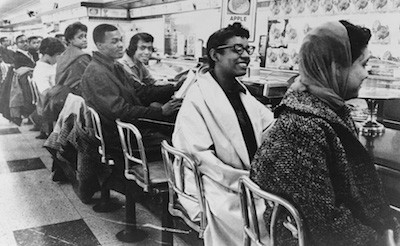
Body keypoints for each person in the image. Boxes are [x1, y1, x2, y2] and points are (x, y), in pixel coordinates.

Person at [250, 20, 400, 246]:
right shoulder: (301, 129)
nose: (366, 74)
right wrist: (382, 240)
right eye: (363, 64)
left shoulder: (329, 111)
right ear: (336, 67)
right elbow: (324, 225)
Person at [172, 22, 274, 246]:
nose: (246, 55)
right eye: (237, 49)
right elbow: (199, 156)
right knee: (249, 218)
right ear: (215, 55)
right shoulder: (198, 97)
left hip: (246, 179)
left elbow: (270, 127)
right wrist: (247, 180)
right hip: (216, 182)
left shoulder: (241, 92)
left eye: (248, 49)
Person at [81, 24, 181, 167]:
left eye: (121, 40)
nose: (121, 45)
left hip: (128, 126)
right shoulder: (96, 72)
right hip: (121, 135)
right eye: (114, 42)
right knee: (177, 141)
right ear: (100, 45)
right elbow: (119, 110)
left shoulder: (115, 67)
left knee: (173, 128)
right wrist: (160, 111)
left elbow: (142, 92)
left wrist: (174, 87)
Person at [31, 37, 66, 139]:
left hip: (55, 99)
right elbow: (46, 92)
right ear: (47, 54)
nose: (59, 58)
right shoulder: (40, 70)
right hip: (50, 104)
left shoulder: (50, 65)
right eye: (57, 55)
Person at [55, 22, 91, 95]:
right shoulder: (81, 57)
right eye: (80, 37)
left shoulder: (64, 54)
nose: (84, 40)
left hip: (62, 96)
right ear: (70, 40)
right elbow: (89, 82)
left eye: (85, 36)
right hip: (77, 97)